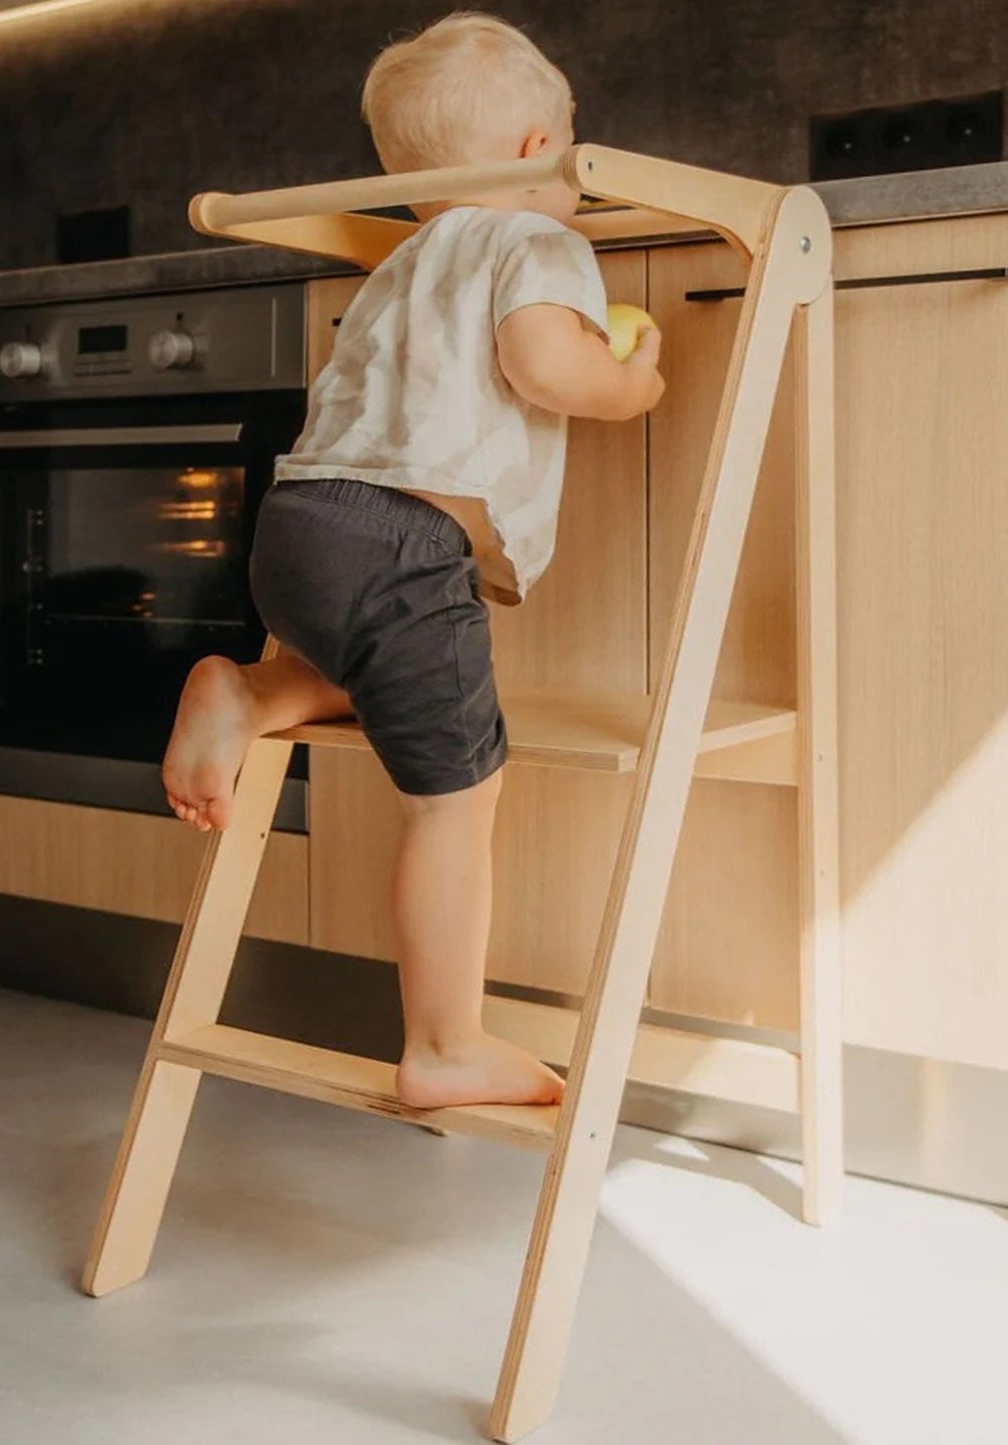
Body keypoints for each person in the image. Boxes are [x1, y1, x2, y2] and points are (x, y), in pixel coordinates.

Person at [162, 12, 665, 1111]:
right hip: (402, 536)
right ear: (537, 151)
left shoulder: (398, 264)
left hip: (298, 525)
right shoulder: (537, 243)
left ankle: (246, 689)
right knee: (457, 793)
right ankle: (443, 1039)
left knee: (370, 678)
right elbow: (546, 365)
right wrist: (630, 378)